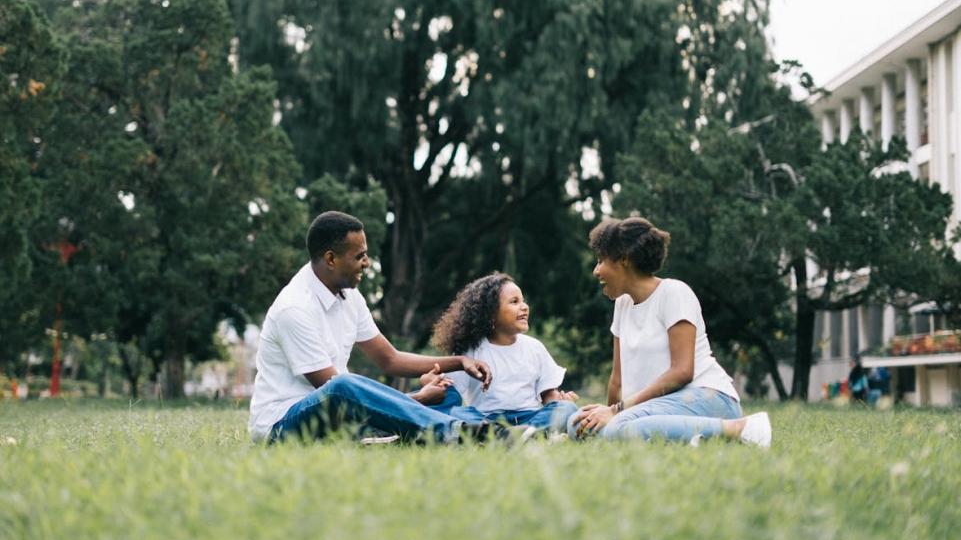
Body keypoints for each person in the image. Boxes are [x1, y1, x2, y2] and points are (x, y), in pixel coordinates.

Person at [247, 211, 508, 445]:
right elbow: (337, 394)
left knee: (446, 395)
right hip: (282, 426)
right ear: (330, 259)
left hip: (339, 417)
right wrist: (416, 400)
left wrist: (460, 362)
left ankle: (494, 428)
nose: (367, 262)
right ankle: (456, 432)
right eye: (359, 256)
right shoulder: (295, 308)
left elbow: (390, 359)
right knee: (342, 385)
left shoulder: (349, 296)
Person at [568, 216, 772, 448]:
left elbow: (682, 372)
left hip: (706, 397)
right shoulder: (622, 305)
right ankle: (688, 437)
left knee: (620, 427)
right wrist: (605, 415)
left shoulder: (674, 293)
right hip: (655, 407)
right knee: (577, 426)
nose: (596, 271)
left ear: (623, 259)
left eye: (600, 260)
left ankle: (740, 428)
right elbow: (617, 380)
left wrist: (617, 412)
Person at [425, 273, 580, 434]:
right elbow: (451, 392)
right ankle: (507, 434)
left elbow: (548, 393)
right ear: (490, 315)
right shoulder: (470, 351)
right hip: (486, 420)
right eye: (514, 302)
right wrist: (433, 382)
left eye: (523, 300)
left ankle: (522, 433)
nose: (524, 306)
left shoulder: (535, 347)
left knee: (567, 408)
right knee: (459, 413)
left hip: (530, 417)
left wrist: (558, 403)